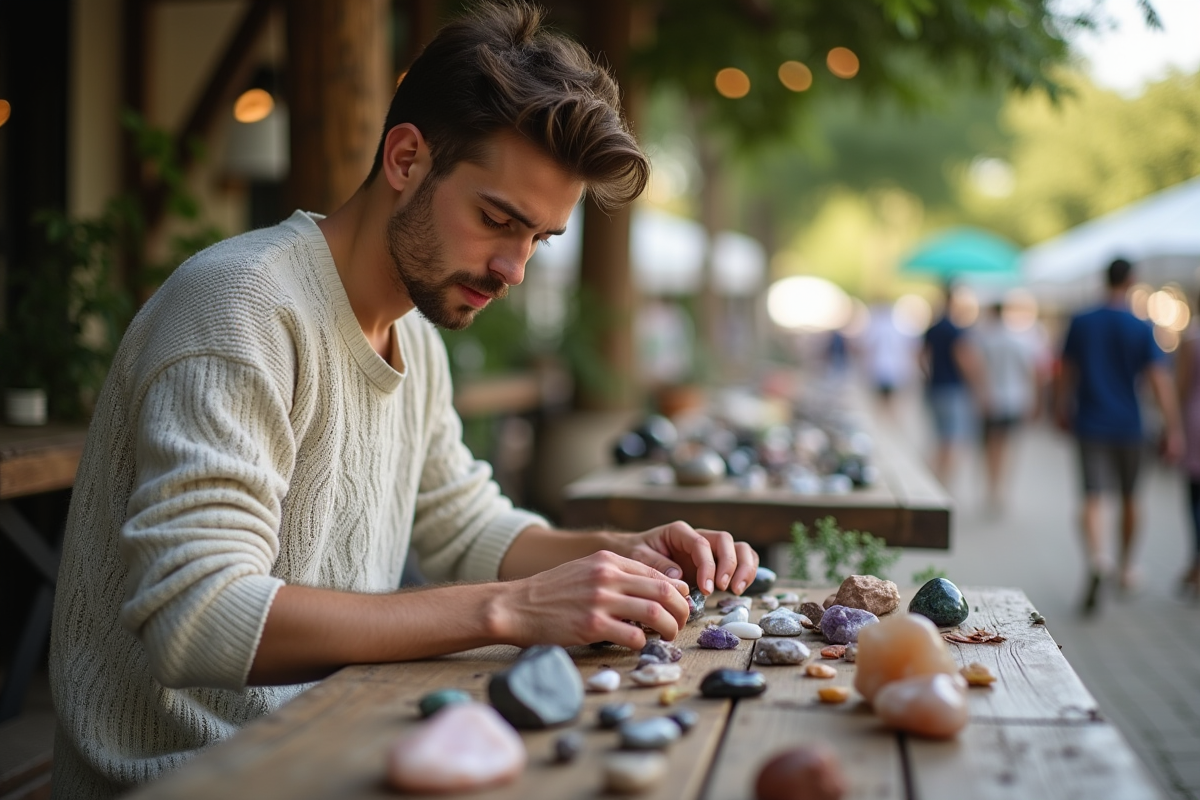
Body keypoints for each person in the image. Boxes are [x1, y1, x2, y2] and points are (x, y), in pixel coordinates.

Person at [47, 5, 758, 797]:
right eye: (497, 219)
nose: (514, 268)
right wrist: (511, 609)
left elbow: (466, 526)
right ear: (407, 158)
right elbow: (197, 617)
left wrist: (627, 555)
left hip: (328, 736)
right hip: (189, 775)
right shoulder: (240, 307)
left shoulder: (413, 337)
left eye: (539, 240)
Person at [1055, 258, 1183, 615]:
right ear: (1132, 282)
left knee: (1093, 497)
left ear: (1104, 279)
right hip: (1130, 424)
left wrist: (1061, 408)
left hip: (1090, 422)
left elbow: (1066, 370)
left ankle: (1097, 559)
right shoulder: (1141, 326)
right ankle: (1126, 568)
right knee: (1130, 497)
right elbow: (1159, 380)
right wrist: (1174, 429)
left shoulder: (1081, 321)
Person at [970, 300, 1038, 512]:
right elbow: (1029, 370)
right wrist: (1033, 399)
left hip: (990, 399)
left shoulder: (983, 339)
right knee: (1006, 446)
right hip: (1013, 399)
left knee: (990, 446)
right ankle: (1000, 490)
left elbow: (976, 369)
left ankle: (992, 488)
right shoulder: (1017, 339)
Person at [921, 285, 983, 488]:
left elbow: (921, 358)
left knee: (940, 438)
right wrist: (976, 386)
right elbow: (964, 359)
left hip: (935, 388)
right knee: (951, 440)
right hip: (952, 389)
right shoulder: (954, 330)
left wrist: (929, 375)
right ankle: (940, 484)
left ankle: (933, 479)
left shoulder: (933, 327)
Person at [1174, 290, 1200, 600]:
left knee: (1194, 495)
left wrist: (1172, 426)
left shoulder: (1192, 339)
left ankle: (1196, 563)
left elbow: (1179, 386)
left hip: (1195, 421)